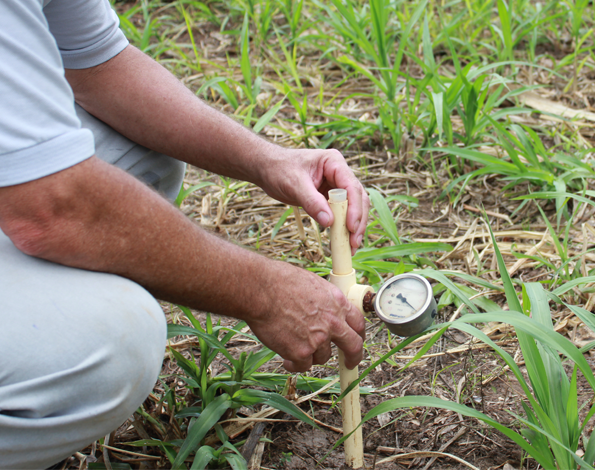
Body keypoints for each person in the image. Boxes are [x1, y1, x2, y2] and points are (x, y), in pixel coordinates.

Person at [0, 0, 370, 468]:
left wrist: (268, 159)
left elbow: (97, 65)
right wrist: (265, 294)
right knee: (113, 344)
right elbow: (53, 207)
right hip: (40, 206)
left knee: (135, 156)